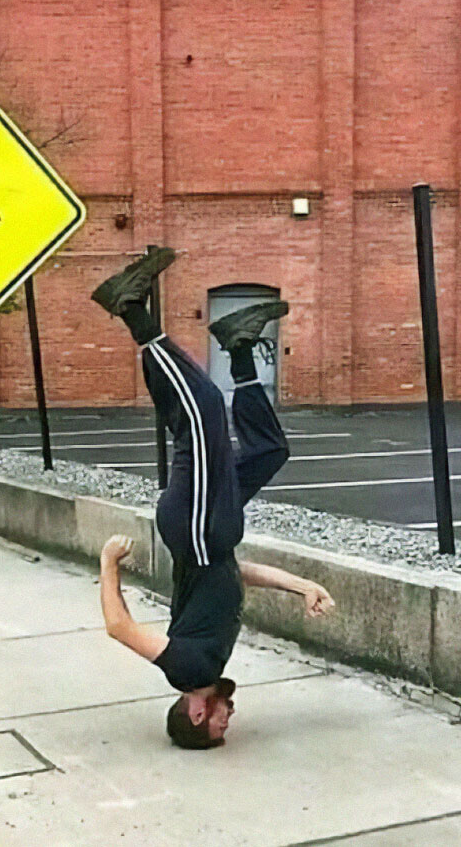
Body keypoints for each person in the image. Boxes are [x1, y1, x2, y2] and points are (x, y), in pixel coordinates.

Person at [92, 247, 335, 749]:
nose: (230, 718)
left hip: (196, 525)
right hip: (212, 539)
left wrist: (109, 561)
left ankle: (131, 309)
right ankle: (239, 345)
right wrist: (302, 585)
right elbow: (233, 572)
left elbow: (118, 626)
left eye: (220, 724)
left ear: (197, 713)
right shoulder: (212, 658)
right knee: (269, 452)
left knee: (201, 412)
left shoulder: (187, 670)